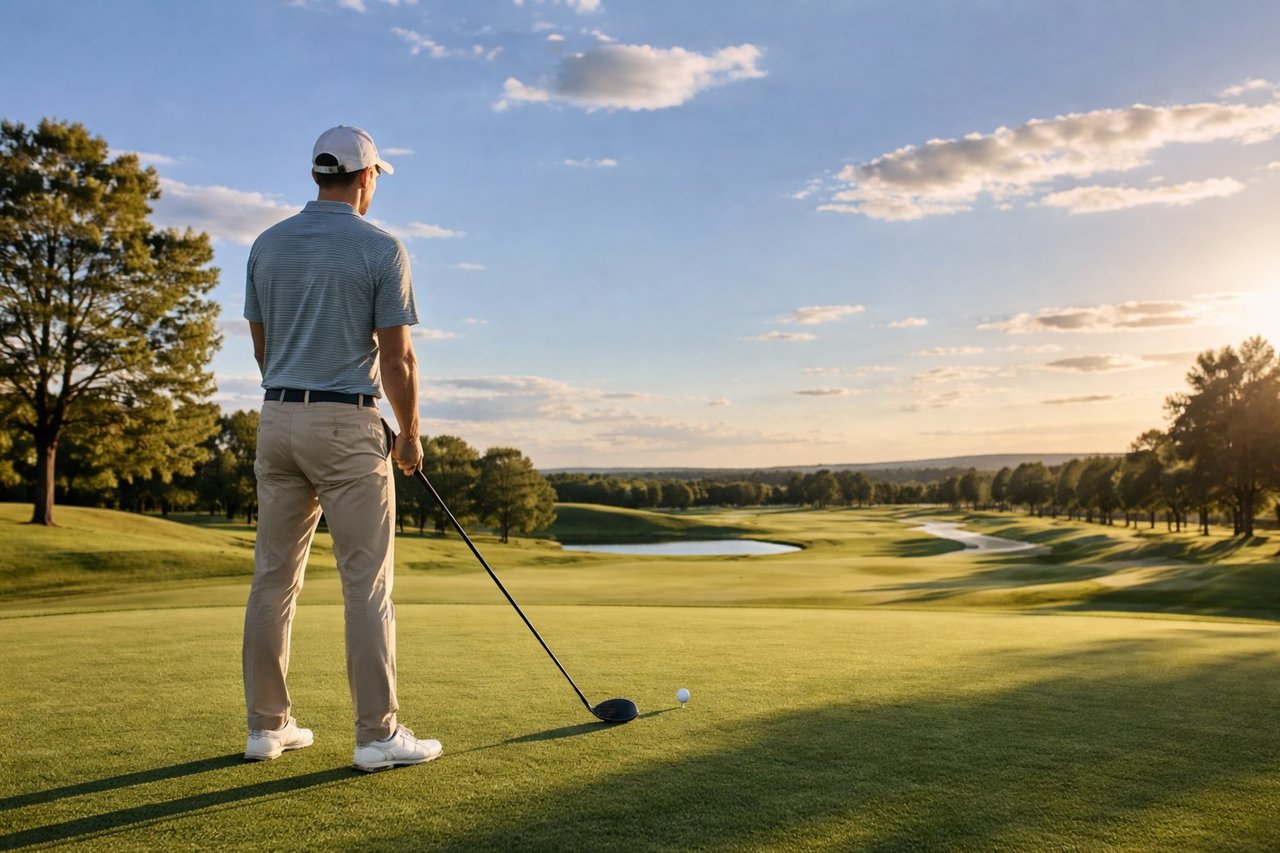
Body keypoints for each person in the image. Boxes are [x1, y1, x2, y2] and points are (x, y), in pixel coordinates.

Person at [240, 125, 440, 772]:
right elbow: (397, 357)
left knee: (273, 580)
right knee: (366, 584)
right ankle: (377, 735)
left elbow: (261, 344)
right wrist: (408, 432)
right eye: (375, 174)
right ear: (363, 178)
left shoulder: (267, 245)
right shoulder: (380, 247)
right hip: (346, 426)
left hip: (276, 418)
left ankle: (267, 727)